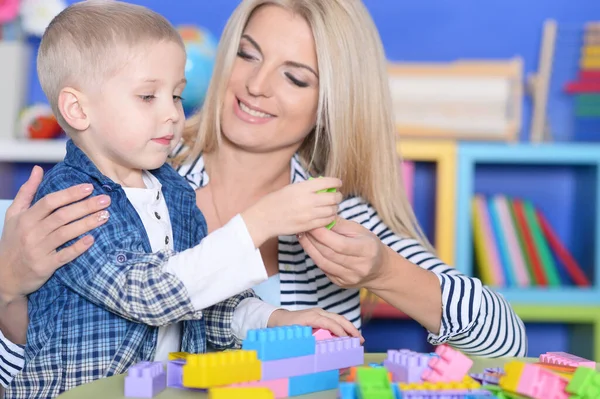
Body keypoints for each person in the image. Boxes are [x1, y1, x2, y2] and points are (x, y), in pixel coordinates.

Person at [1, 0, 527, 393]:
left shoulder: (339, 218)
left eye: (295, 78)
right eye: (247, 55)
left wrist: (384, 271)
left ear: (330, 104)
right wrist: (5, 289)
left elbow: (507, 344)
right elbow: (39, 372)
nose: (256, 85)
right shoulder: (126, 184)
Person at [4, 2, 359, 398]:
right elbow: (148, 295)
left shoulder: (173, 192)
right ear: (78, 108)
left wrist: (272, 318)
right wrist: (257, 223)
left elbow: (201, 304)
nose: (173, 114)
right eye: (146, 96)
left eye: (175, 96)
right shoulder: (73, 201)